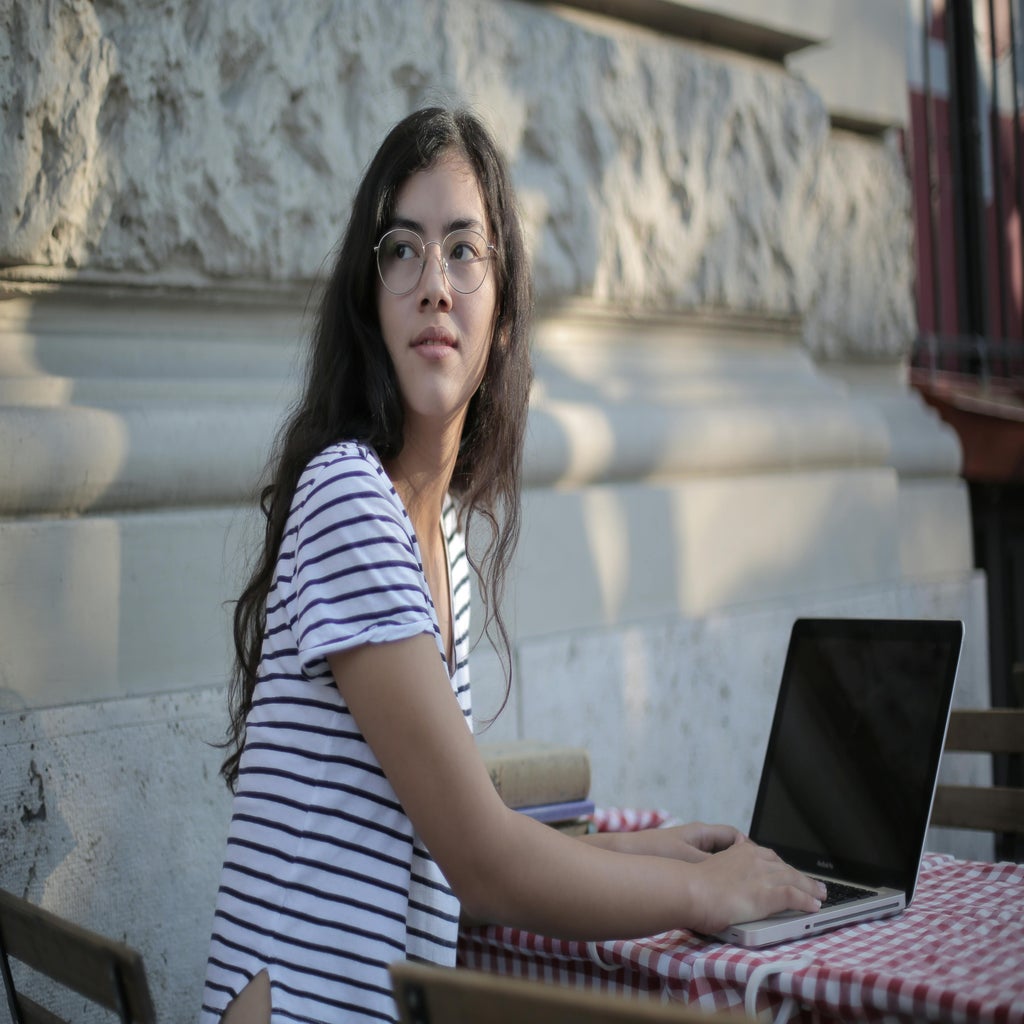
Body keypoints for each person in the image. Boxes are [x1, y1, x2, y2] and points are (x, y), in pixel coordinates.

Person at [201, 106, 825, 1024]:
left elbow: (450, 825)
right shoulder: (348, 497)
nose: (435, 286)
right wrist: (707, 894)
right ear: (370, 305)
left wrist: (652, 853)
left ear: (500, 320)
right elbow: (481, 862)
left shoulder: (438, 533)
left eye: (464, 251)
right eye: (402, 252)